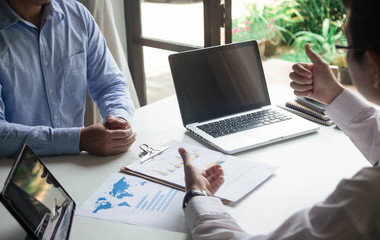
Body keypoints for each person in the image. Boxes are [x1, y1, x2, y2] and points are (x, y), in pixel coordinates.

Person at [180, 0, 380, 239]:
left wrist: (197, 197)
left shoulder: (369, 198)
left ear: (372, 63)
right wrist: (333, 95)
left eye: (345, 47)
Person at [0, 0, 137, 158]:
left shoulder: (77, 15)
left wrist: (118, 120)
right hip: (15, 171)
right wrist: (79, 140)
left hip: (78, 164)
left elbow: (110, 84)